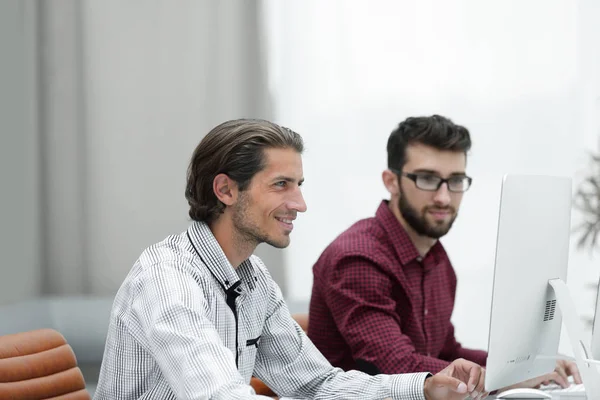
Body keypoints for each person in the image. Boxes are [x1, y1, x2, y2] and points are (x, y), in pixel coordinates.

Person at [93, 118, 488, 400]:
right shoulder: (167, 279)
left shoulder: (253, 279)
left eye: (298, 185)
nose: (299, 204)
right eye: (281, 185)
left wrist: (423, 387)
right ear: (226, 190)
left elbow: (316, 385)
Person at [307, 115, 581, 389]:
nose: (444, 197)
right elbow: (398, 367)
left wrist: (534, 364)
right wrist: (510, 378)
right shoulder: (357, 258)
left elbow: (444, 352)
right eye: (427, 179)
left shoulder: (436, 258)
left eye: (455, 181)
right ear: (391, 181)